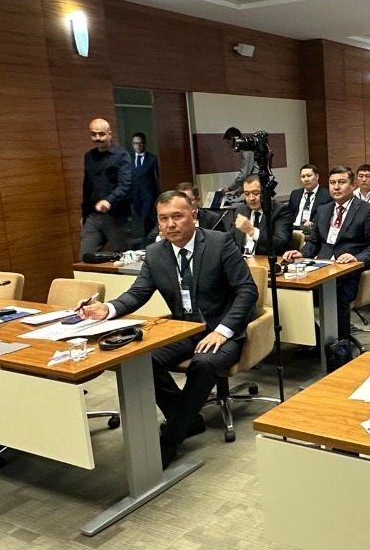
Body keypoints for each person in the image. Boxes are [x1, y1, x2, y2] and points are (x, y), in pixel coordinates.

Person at [80, 191, 258, 462]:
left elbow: (247, 291)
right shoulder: (155, 253)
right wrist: (108, 308)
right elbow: (138, 293)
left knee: (203, 363)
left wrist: (222, 331)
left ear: (194, 215)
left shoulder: (219, 242)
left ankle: (170, 439)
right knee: (142, 360)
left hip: (223, 330)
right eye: (163, 219)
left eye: (177, 216)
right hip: (184, 329)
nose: (170, 224)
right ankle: (187, 419)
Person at [282, 166, 370, 338]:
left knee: (336, 295)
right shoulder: (323, 210)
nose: (336, 187)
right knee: (292, 291)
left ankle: (340, 344)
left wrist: (356, 258)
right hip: (321, 270)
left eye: (341, 182)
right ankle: (315, 340)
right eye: (332, 183)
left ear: (353, 185)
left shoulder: (367, 210)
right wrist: (301, 253)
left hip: (350, 273)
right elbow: (314, 243)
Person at [79, 118, 133, 260]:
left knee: (123, 258)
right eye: (94, 134)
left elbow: (126, 184)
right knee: (86, 257)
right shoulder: (89, 156)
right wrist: (84, 214)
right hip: (93, 215)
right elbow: (87, 187)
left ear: (109, 134)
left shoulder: (121, 155)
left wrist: (108, 201)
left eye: (101, 134)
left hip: (117, 216)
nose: (97, 138)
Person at [234, 174, 293, 258]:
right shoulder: (241, 211)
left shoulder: (280, 211)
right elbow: (231, 238)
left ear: (265, 192)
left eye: (256, 193)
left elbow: (281, 243)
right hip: (242, 260)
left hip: (266, 261)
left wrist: (252, 231)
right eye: (247, 194)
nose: (251, 198)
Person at [126, 132, 161, 241]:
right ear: (132, 144)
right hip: (134, 196)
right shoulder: (128, 159)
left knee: (147, 219)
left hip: (148, 195)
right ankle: (142, 240)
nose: (138, 146)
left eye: (140, 143)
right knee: (137, 219)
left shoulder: (152, 159)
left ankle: (147, 241)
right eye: (135, 143)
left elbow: (156, 178)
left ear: (144, 143)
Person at [221, 127, 259, 199]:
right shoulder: (248, 148)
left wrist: (230, 188)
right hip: (256, 181)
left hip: (257, 183)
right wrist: (241, 190)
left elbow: (244, 175)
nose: (229, 145)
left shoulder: (246, 150)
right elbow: (250, 172)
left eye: (228, 142)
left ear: (233, 139)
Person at [287, 163, 322, 233]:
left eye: (309, 176)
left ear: (317, 176)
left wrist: (313, 224)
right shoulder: (295, 194)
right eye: (303, 177)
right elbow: (288, 215)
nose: (306, 179)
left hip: (311, 231)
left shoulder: (326, 195)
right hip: (294, 230)